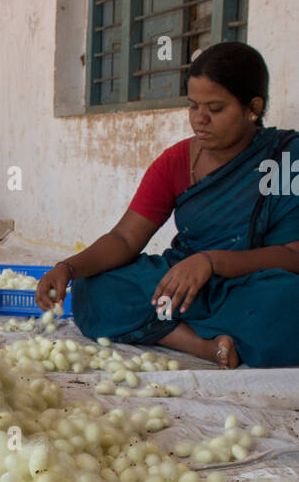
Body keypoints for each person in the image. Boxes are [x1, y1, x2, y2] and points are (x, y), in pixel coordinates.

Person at [35, 42, 299, 368]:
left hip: (254, 286)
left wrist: (212, 261)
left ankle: (188, 327)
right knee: (96, 288)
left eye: (215, 109)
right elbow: (125, 239)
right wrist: (68, 267)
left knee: (290, 304)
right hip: (185, 288)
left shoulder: (285, 160)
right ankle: (202, 345)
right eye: (193, 106)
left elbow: (292, 255)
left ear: (253, 108)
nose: (199, 119)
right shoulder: (175, 162)